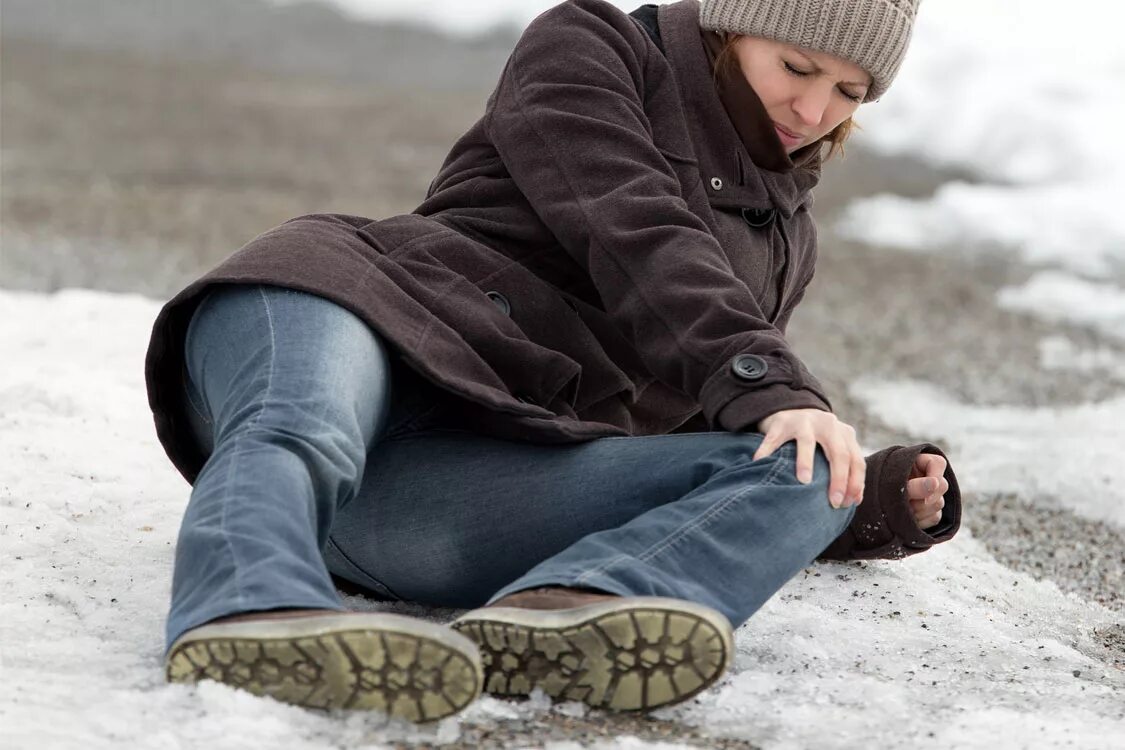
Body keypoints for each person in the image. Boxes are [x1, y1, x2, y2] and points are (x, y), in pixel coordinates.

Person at [147, 0, 961, 724]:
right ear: (731, 23)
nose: (813, 107)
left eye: (849, 93)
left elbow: (693, 402)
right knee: (309, 425)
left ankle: (571, 610)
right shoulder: (592, 46)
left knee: (805, 468)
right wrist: (769, 379)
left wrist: (863, 491)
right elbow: (631, 228)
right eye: (796, 66)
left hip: (446, 489)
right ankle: (244, 611)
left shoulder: (784, 241)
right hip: (355, 305)